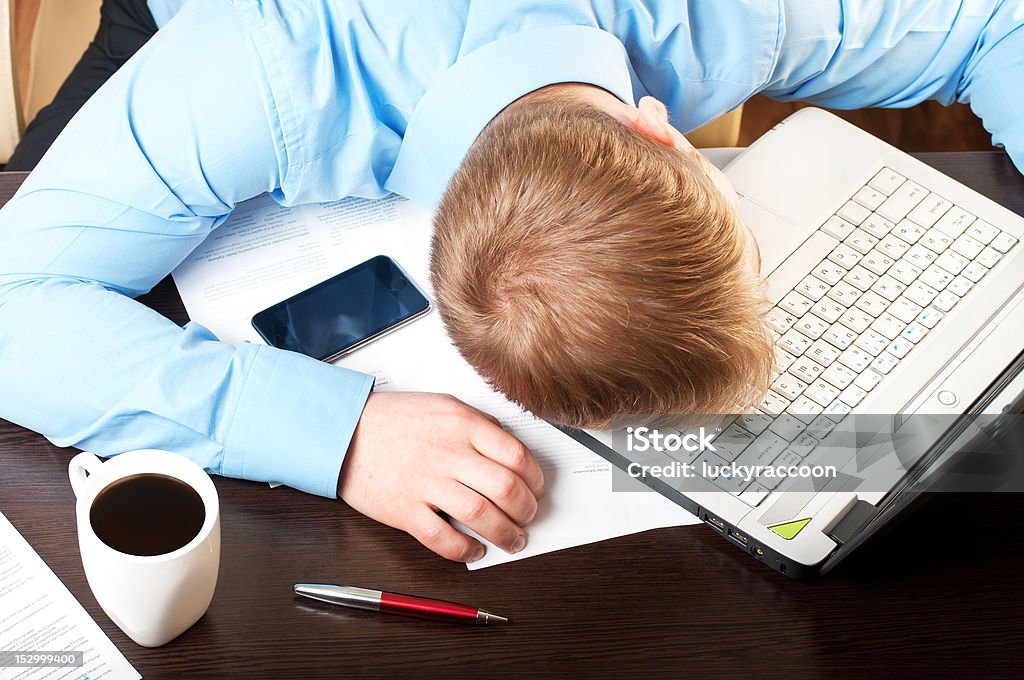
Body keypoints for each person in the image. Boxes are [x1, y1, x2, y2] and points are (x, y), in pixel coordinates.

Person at [0, 0, 1021, 563]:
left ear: (654, 131)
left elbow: (994, 24)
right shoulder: (252, 71)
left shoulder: (738, 14)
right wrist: (336, 431)